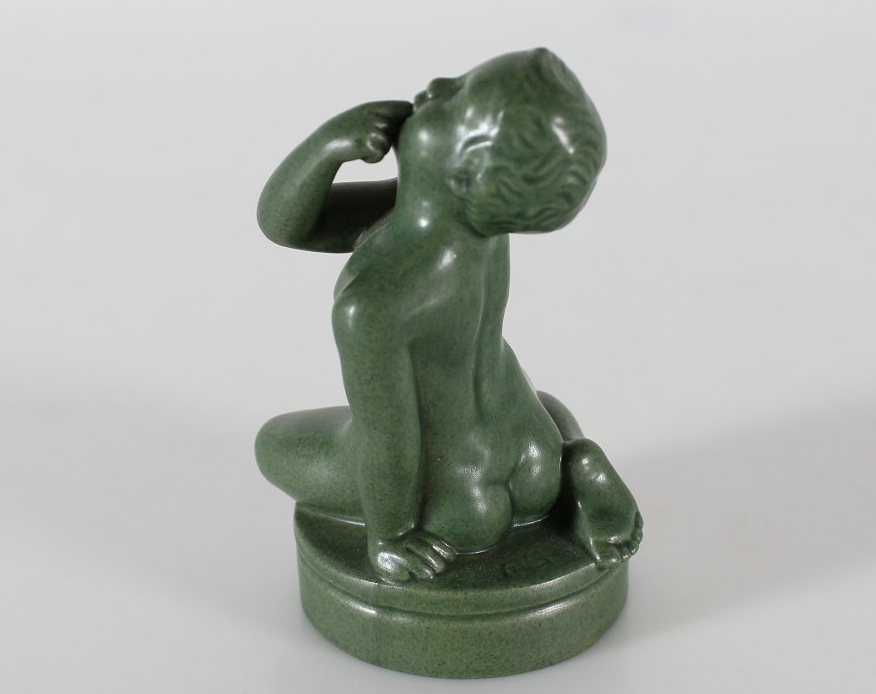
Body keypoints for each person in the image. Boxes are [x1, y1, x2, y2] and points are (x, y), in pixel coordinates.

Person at [255, 49, 641, 583]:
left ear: (463, 172)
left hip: (459, 498)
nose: (436, 84)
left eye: (454, 98)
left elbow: (389, 440)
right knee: (543, 401)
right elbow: (294, 226)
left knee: (271, 443)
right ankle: (576, 464)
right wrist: (328, 148)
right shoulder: (478, 222)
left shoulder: (377, 303)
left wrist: (391, 536)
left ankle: (451, 511)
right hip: (535, 447)